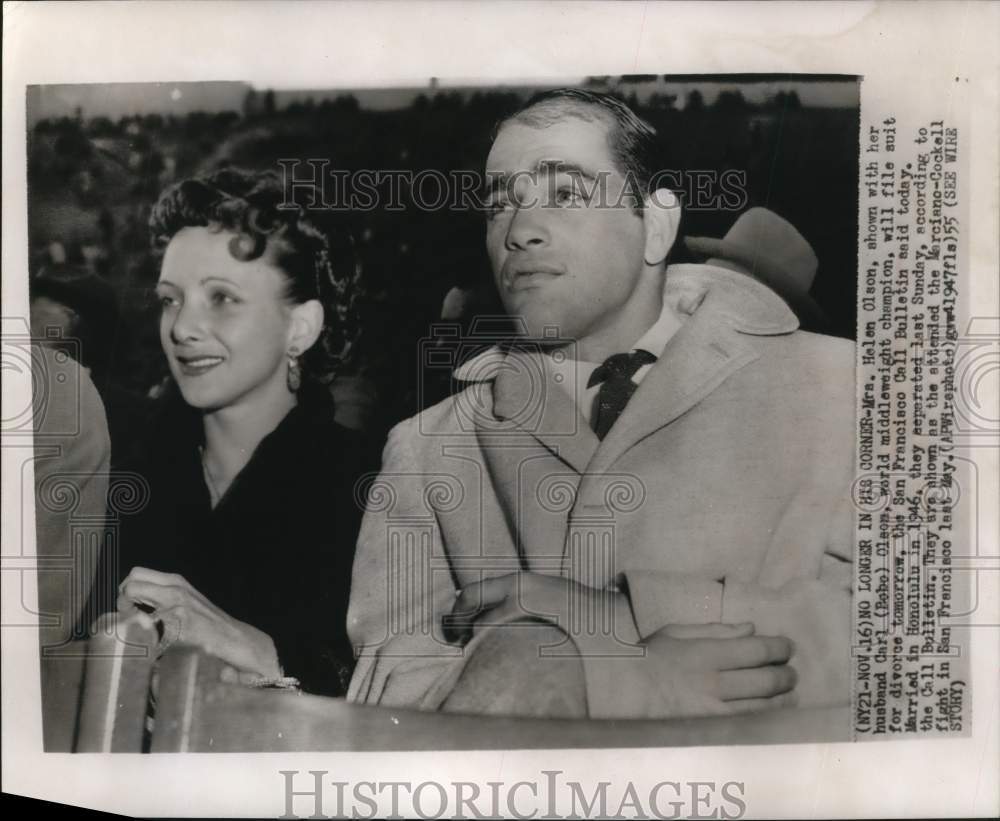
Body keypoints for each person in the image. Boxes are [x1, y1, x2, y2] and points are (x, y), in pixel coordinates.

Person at [347, 89, 854, 719]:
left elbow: (917, 642)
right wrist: (589, 670)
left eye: (566, 194)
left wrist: (622, 617)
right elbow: (389, 699)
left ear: (657, 225)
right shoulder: (426, 447)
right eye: (500, 203)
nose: (519, 231)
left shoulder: (844, 390)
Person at [111, 168, 371, 696]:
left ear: (301, 327)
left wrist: (262, 654)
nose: (182, 327)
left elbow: (395, 701)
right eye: (170, 298)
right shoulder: (123, 479)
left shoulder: (372, 492)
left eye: (221, 298)